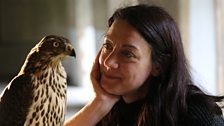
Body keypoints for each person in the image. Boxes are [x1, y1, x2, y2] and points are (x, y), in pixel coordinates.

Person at [64, 4, 224, 126]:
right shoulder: (108, 110)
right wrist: (98, 104)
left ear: (158, 65)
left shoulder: (197, 116)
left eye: (127, 54)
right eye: (107, 46)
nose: (108, 62)